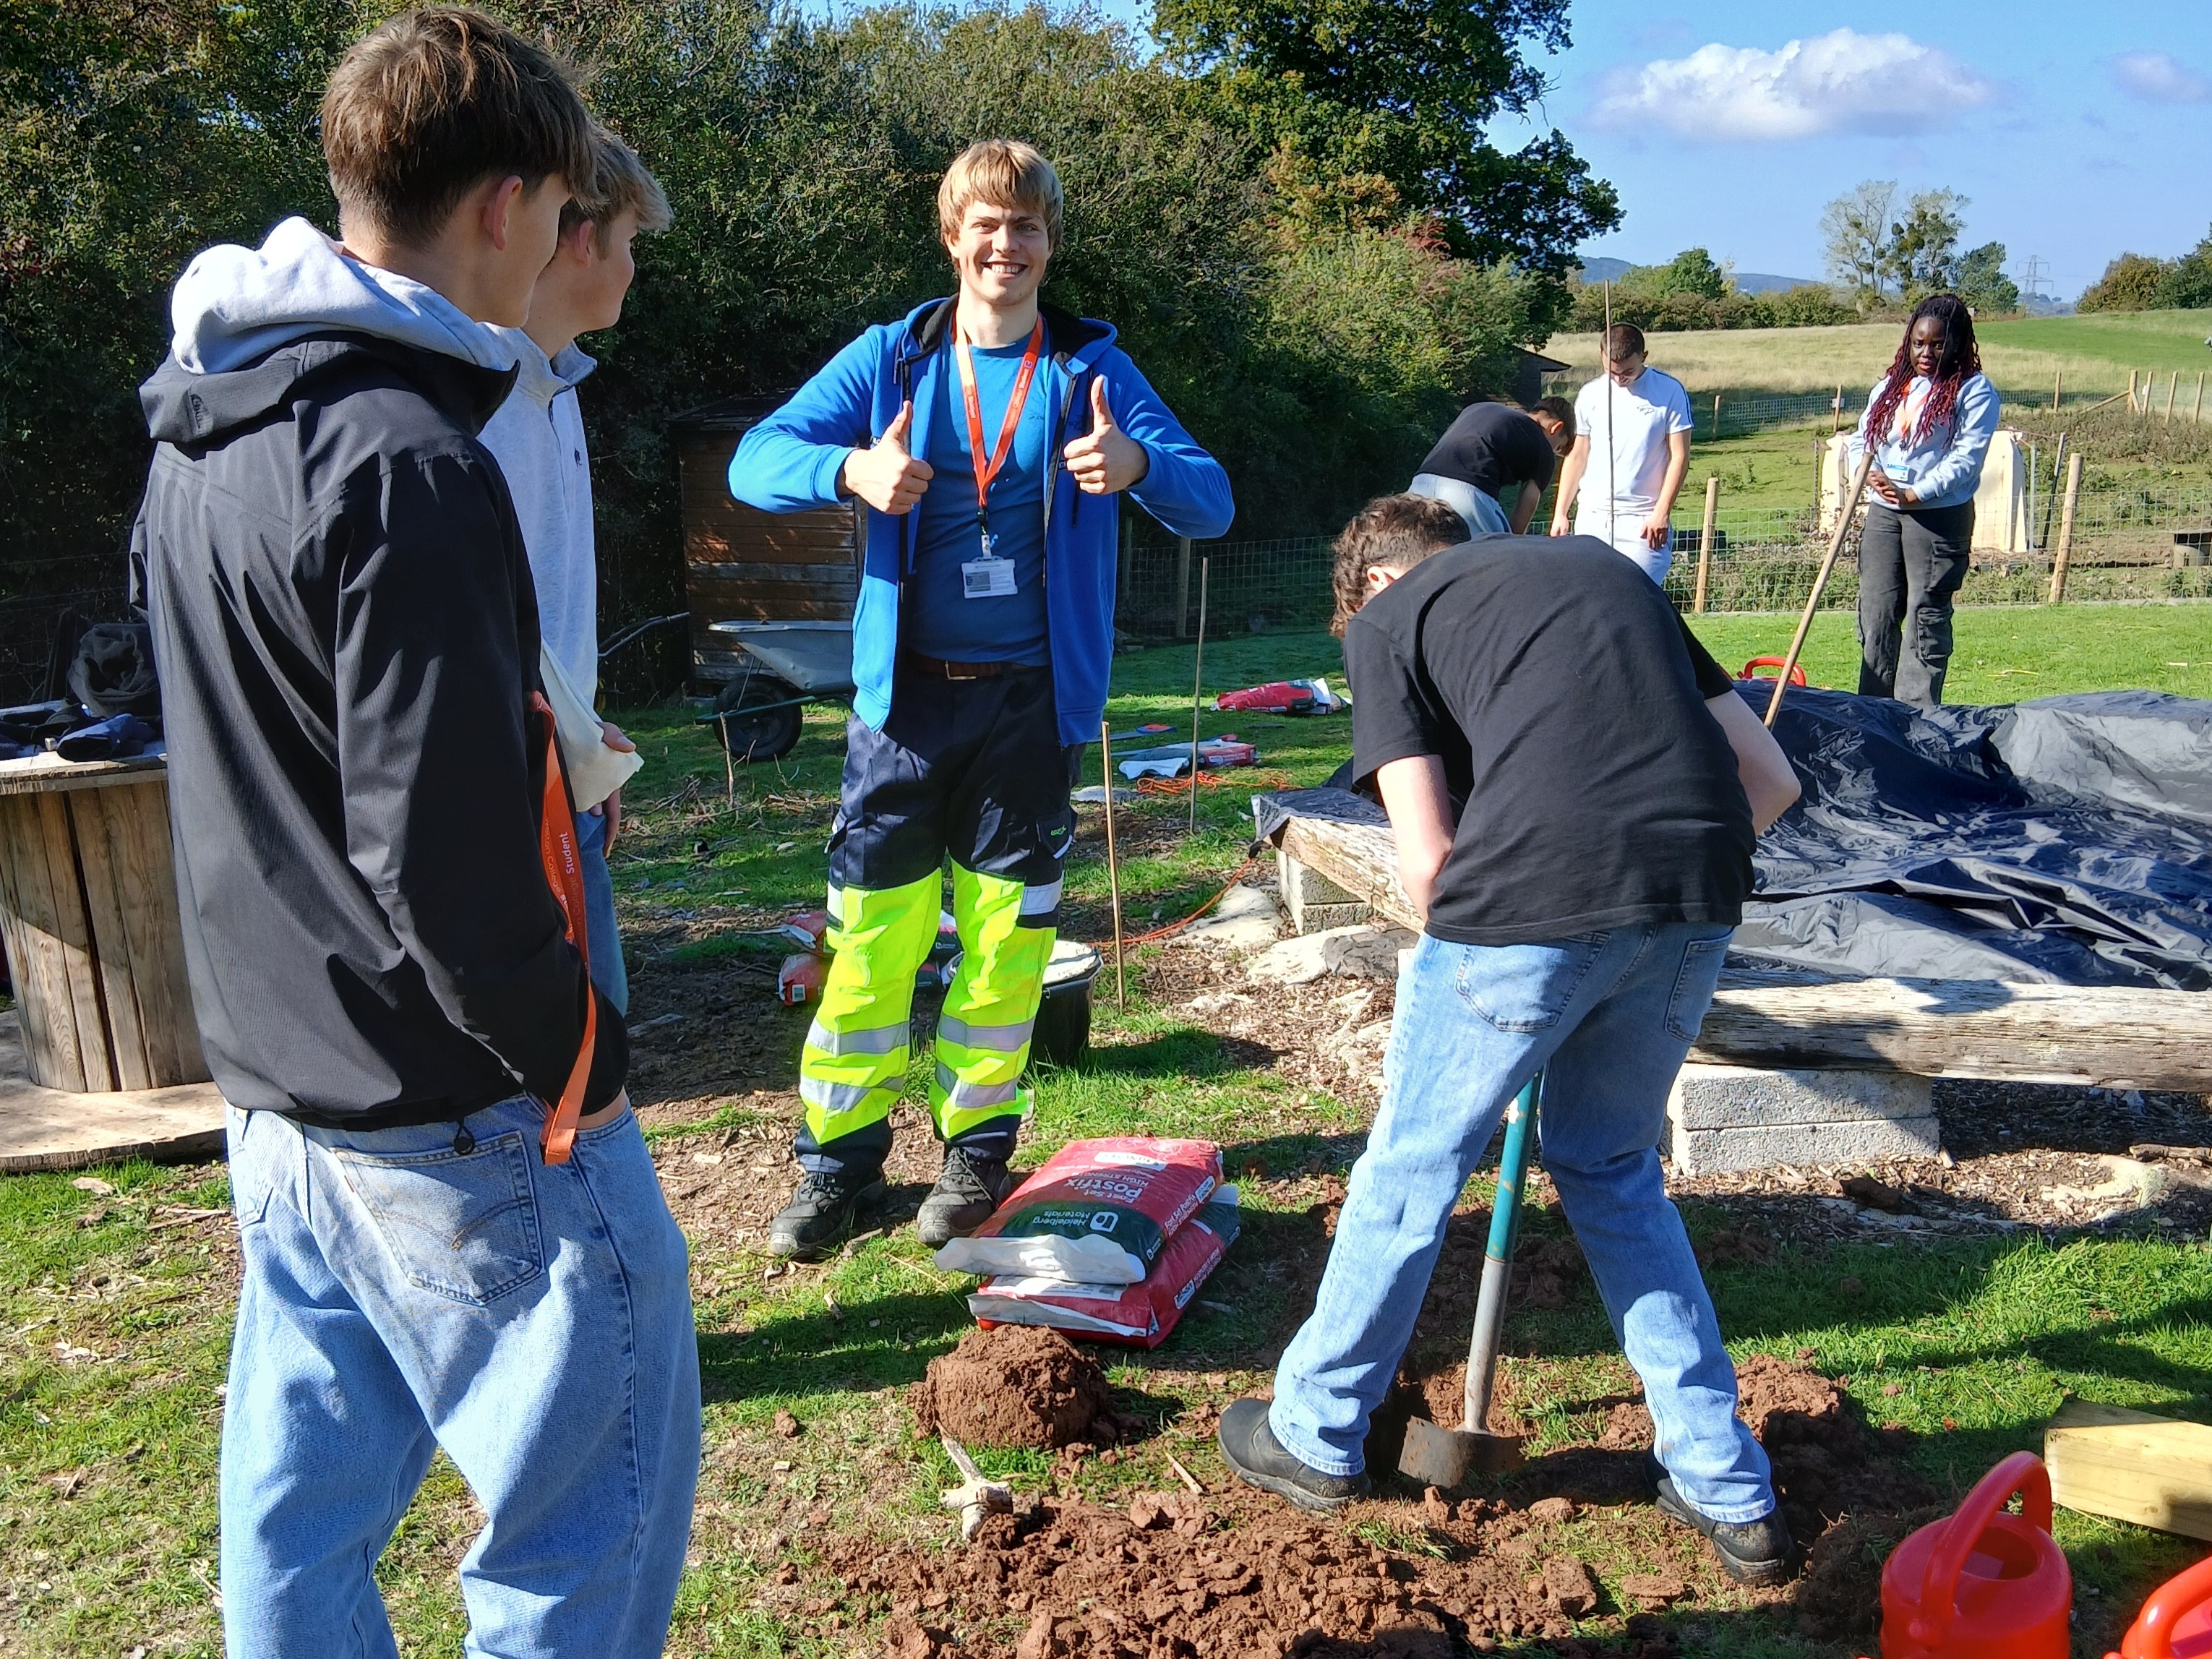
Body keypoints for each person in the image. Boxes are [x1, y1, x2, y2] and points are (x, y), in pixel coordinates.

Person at [133, 11, 697, 1655]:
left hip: (279, 1096)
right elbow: (442, 857)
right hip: (453, 1109)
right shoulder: (410, 459)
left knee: (298, 1521)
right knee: (580, 1523)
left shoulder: (207, 426)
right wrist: (577, 1052)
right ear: (514, 203)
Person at [1219, 497, 1804, 1587]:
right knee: (1615, 1168)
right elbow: (1772, 782)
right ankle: (1727, 1486)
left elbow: (1430, 865)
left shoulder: (1387, 627)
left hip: (1526, 909)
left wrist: (1536, 941)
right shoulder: (1606, 571)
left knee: (1413, 1161)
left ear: (1372, 588)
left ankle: (1313, 1430)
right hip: (1701, 889)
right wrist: (1636, 901)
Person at [730, 140, 1233, 1260]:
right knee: (869, 944)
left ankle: (971, 1153)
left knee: (1005, 948)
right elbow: (754, 463)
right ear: (954, 237)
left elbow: (1213, 502)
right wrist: (847, 470)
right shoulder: (890, 360)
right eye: (987, 226)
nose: (1006, 246)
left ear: (1050, 244)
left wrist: (1141, 469)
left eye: (1027, 227)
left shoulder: (1093, 370)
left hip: (1028, 710)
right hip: (901, 709)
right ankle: (838, 1167)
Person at [479, 124, 674, 1014]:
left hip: (565, 776)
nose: (634, 268)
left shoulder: (557, 387)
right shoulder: (477, 396)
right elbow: (479, 618)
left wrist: (588, 741)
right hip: (510, 801)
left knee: (600, 1042)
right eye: (630, 242)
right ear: (583, 235)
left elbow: (541, 606)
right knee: (578, 1074)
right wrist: (564, 757)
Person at [1844, 293, 1999, 706]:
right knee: (1876, 613)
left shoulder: (1974, 391)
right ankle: (1873, 710)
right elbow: (1863, 438)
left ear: (1958, 342)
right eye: (1918, 343)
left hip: (1935, 518)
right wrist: (1867, 472)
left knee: (1923, 615)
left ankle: (1916, 718)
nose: (1926, 353)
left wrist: (1915, 493)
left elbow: (1966, 459)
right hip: (1884, 513)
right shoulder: (1892, 386)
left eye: (1937, 343)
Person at [1550, 324, 1694, 583]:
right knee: (1591, 600)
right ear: (1601, 355)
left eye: (1627, 372)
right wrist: (1561, 512)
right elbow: (1578, 455)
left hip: (1643, 521)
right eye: (1611, 372)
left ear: (1644, 357)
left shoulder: (1670, 392)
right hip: (1593, 518)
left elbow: (1680, 457)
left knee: (1636, 600)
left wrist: (1661, 513)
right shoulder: (1591, 394)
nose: (1619, 379)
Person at [1408, 396, 1573, 537]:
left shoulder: (1481, 408)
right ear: (1556, 428)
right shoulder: (1542, 446)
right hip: (1467, 493)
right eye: (1558, 447)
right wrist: (1512, 544)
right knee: (1492, 560)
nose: (1553, 452)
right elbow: (1529, 499)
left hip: (1420, 484)